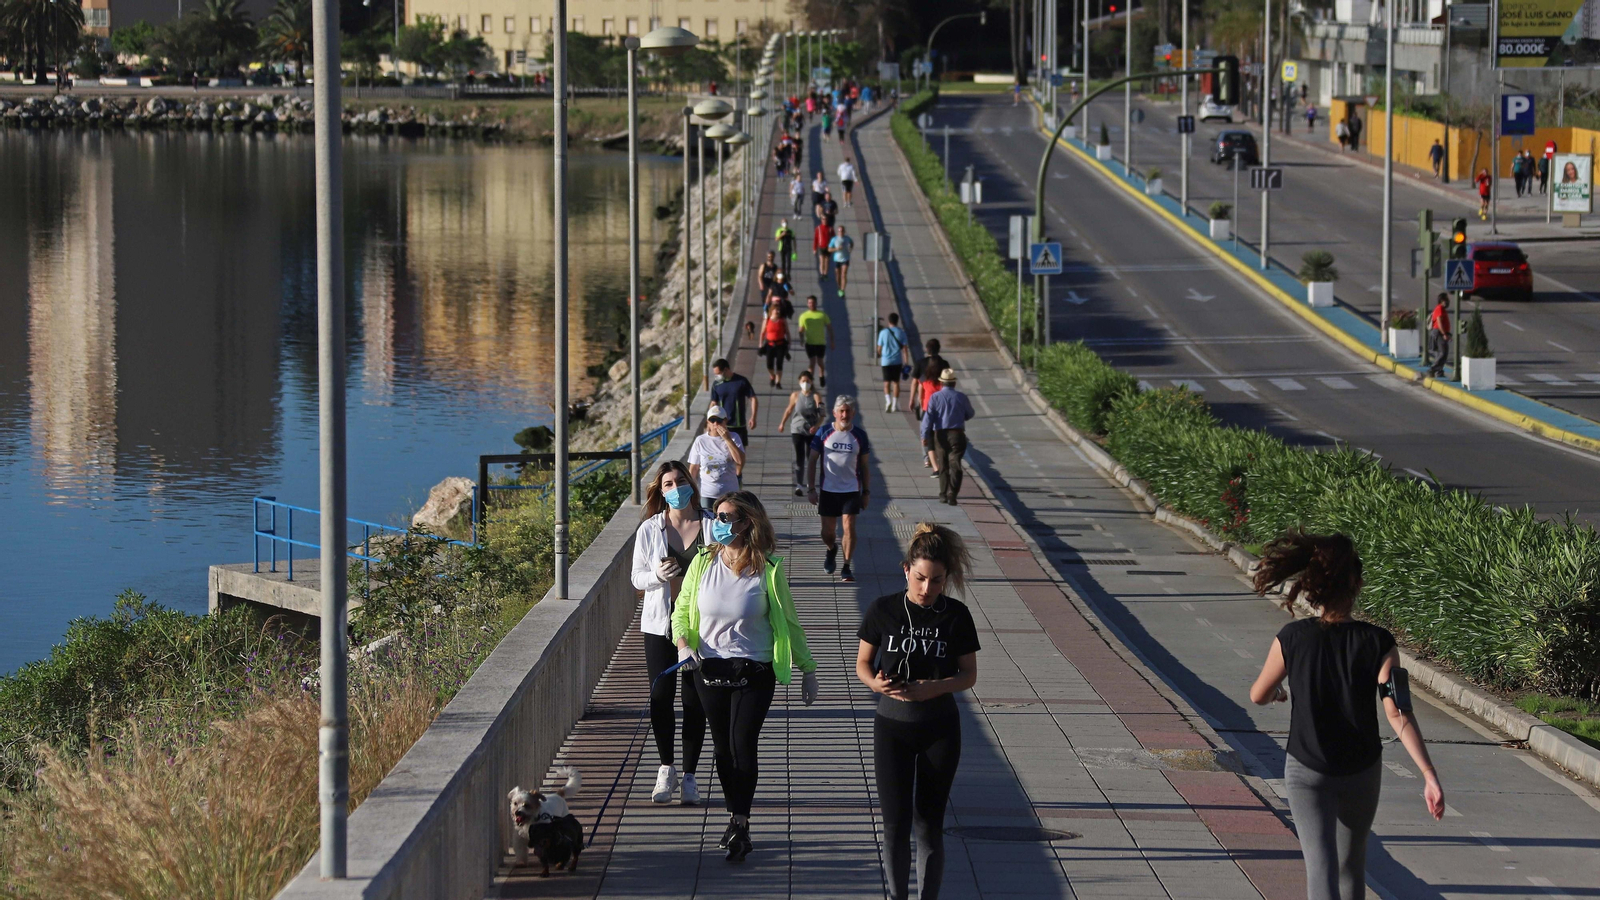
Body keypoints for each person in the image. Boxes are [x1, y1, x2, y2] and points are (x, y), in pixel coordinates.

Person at [1248, 532, 1445, 900]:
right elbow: (1398, 711)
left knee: (1320, 870)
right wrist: (1428, 775)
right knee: (1351, 867)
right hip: (1361, 769)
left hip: (1307, 769)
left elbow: (1258, 694)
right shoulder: (1378, 642)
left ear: (1313, 585)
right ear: (1357, 583)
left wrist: (1278, 693)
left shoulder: (1292, 638)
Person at [673, 491, 818, 863]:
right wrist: (682, 644)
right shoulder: (703, 562)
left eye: (726, 517)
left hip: (754, 670)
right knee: (722, 749)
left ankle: (741, 820)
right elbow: (682, 609)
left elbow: (788, 622)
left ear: (747, 523)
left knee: (742, 743)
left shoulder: (768, 569)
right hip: (708, 668)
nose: (718, 523)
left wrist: (808, 669)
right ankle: (733, 816)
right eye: (717, 516)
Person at [857, 523, 980, 900]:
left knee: (929, 824)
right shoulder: (884, 609)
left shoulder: (956, 615)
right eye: (921, 578)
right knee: (894, 825)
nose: (928, 589)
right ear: (906, 569)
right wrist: (876, 684)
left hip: (939, 728)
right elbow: (863, 664)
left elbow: (969, 675)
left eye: (938, 581)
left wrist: (934, 688)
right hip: (892, 727)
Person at [630, 460, 714, 807]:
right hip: (659, 625)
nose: (676, 487)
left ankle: (691, 776)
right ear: (660, 491)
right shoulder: (650, 529)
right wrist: (657, 578)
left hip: (700, 627)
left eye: (681, 480)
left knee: (694, 701)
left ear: (691, 484)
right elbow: (636, 577)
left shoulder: (712, 526)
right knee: (660, 697)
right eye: (668, 483)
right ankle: (666, 767)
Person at [807, 395, 871, 583]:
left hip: (851, 491)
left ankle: (846, 566)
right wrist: (811, 489)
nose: (844, 415)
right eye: (841, 411)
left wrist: (866, 492)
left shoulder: (859, 436)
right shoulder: (824, 433)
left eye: (848, 411)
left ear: (853, 413)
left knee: (849, 527)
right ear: (834, 413)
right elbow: (812, 460)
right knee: (828, 532)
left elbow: (865, 466)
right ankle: (831, 549)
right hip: (828, 490)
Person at [921, 369, 975, 506]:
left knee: (943, 464)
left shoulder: (935, 397)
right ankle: (953, 494)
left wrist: (925, 435)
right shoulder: (962, 397)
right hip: (957, 434)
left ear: (941, 382)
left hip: (940, 435)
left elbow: (928, 418)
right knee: (955, 464)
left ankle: (943, 494)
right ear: (954, 383)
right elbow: (970, 414)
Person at [688, 405, 747, 508]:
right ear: (708, 422)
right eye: (712, 420)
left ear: (725, 421)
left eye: (719, 421)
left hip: (729, 493)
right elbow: (694, 468)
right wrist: (690, 492)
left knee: (729, 523)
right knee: (707, 523)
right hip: (707, 494)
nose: (715, 424)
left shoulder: (734, 437)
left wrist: (727, 439)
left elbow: (740, 461)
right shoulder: (700, 441)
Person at [779, 371, 826, 495]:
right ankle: (799, 484)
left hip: (811, 431)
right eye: (803, 381)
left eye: (808, 381)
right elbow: (789, 409)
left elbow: (822, 414)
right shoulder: (795, 395)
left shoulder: (816, 396)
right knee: (799, 457)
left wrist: (817, 426)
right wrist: (782, 423)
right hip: (797, 429)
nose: (805, 384)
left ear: (811, 382)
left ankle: (810, 483)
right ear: (799, 382)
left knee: (811, 457)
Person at [710, 359, 758, 446]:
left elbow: (753, 398)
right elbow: (713, 403)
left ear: (726, 369)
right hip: (722, 425)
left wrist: (753, 417)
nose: (717, 376)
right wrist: (709, 423)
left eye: (718, 373)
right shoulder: (716, 385)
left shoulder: (741, 381)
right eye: (715, 374)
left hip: (739, 425)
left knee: (739, 455)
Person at [797, 294, 834, 387]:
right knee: (812, 363)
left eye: (813, 302)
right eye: (809, 302)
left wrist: (832, 341)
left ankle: (821, 376)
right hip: (810, 343)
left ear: (816, 303)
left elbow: (830, 328)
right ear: (807, 304)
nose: (811, 304)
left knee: (820, 362)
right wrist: (801, 339)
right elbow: (801, 330)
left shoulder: (822, 315)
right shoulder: (804, 316)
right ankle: (810, 381)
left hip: (821, 343)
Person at [876, 312, 910, 412]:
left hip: (885, 361)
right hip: (897, 361)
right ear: (897, 321)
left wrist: (880, 354)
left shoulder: (883, 332)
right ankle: (895, 405)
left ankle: (888, 401)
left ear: (889, 321)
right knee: (896, 383)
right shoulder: (901, 332)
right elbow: (905, 349)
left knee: (886, 383)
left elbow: (879, 348)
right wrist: (906, 362)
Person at [760, 306, 791, 388]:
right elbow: (762, 333)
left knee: (779, 364)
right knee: (769, 365)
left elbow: (787, 332)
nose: (777, 311)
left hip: (780, 345)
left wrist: (789, 344)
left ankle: (778, 382)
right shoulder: (767, 320)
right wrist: (760, 345)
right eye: (775, 310)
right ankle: (772, 375)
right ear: (771, 311)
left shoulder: (782, 320)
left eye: (778, 310)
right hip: (770, 345)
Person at [1426, 293, 1451, 378]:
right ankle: (1433, 369)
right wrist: (1444, 334)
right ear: (1442, 300)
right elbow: (1439, 322)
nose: (1448, 301)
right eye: (1446, 299)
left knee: (1442, 353)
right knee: (1443, 352)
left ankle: (1439, 371)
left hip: (1440, 333)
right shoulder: (1439, 308)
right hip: (1438, 333)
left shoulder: (1442, 309)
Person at [829, 224, 855, 294]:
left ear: (844, 231)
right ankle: (839, 286)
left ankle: (842, 290)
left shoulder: (847, 238)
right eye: (839, 231)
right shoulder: (834, 239)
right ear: (837, 232)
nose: (840, 232)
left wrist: (850, 249)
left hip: (845, 258)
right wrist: (836, 249)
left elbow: (852, 243)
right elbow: (829, 249)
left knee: (844, 274)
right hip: (837, 259)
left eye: (842, 231)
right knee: (838, 274)